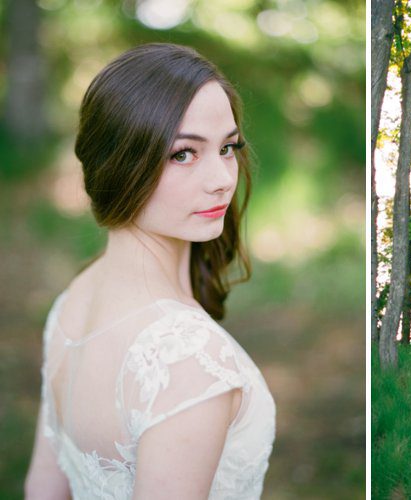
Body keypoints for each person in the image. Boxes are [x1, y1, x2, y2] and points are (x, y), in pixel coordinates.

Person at [24, 43, 275, 499]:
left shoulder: (73, 300)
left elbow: (43, 486)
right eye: (183, 154)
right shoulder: (189, 363)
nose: (222, 177)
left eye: (228, 147)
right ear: (119, 164)